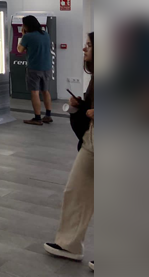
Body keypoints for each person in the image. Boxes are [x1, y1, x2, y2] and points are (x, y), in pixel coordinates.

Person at [44, 33, 94, 270]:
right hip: (92, 140)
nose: (84, 49)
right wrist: (80, 106)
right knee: (76, 191)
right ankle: (69, 244)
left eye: (89, 45)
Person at [18, 15, 54, 125]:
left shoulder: (27, 36)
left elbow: (19, 50)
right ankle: (48, 115)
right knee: (45, 91)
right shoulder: (46, 34)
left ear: (27, 25)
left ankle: (37, 118)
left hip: (34, 68)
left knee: (35, 92)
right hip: (47, 67)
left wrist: (23, 35)